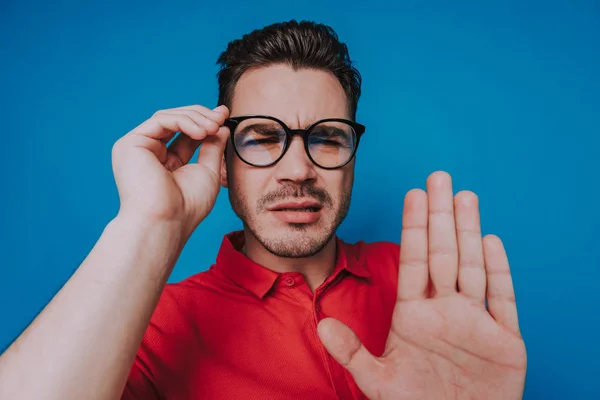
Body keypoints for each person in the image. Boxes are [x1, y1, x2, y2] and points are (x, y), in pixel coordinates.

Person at [0, 20, 527, 399]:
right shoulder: (153, 324)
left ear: (352, 159)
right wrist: (147, 223)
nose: (297, 168)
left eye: (326, 138)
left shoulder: (434, 293)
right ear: (223, 161)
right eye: (262, 137)